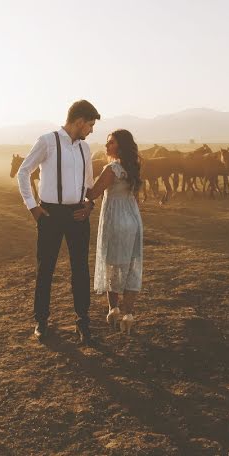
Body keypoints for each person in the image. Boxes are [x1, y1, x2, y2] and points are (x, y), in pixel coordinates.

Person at [17, 100, 100, 344]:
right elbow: (23, 172)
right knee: (46, 269)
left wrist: (89, 204)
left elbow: (89, 183)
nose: (91, 130)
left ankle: (82, 320)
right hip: (50, 214)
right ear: (79, 121)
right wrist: (33, 207)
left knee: (80, 269)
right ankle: (41, 321)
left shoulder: (85, 149)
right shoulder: (47, 141)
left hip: (77, 215)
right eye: (90, 125)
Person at [85, 129, 143, 335]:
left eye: (111, 142)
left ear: (120, 146)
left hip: (115, 221)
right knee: (131, 266)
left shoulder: (112, 169)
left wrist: (82, 181)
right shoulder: (132, 168)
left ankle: (113, 309)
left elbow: (93, 193)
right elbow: (135, 198)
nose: (107, 146)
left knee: (112, 266)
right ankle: (128, 315)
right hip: (133, 220)